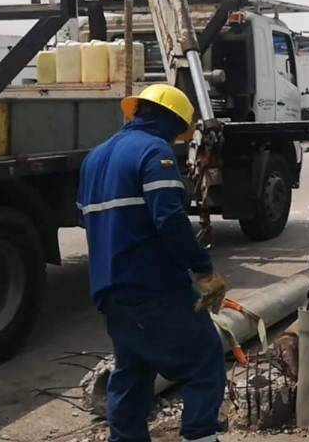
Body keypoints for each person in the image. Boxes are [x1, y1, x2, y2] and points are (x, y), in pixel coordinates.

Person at [76, 84, 228, 442]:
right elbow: (169, 219)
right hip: (153, 287)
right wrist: (203, 270)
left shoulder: (94, 158)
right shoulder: (153, 151)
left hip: (110, 290)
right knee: (204, 359)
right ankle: (200, 436)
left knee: (133, 370)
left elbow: (85, 219)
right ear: (174, 123)